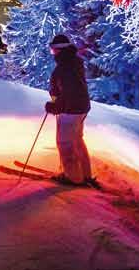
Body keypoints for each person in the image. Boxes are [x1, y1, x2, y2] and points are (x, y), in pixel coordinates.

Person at [45, 34, 96, 187]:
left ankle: (74, 178)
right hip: (79, 108)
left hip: (71, 110)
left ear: (60, 50)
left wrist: (55, 106)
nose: (52, 53)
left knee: (65, 143)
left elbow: (70, 91)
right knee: (77, 141)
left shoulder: (66, 66)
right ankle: (84, 175)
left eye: (53, 50)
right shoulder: (72, 62)